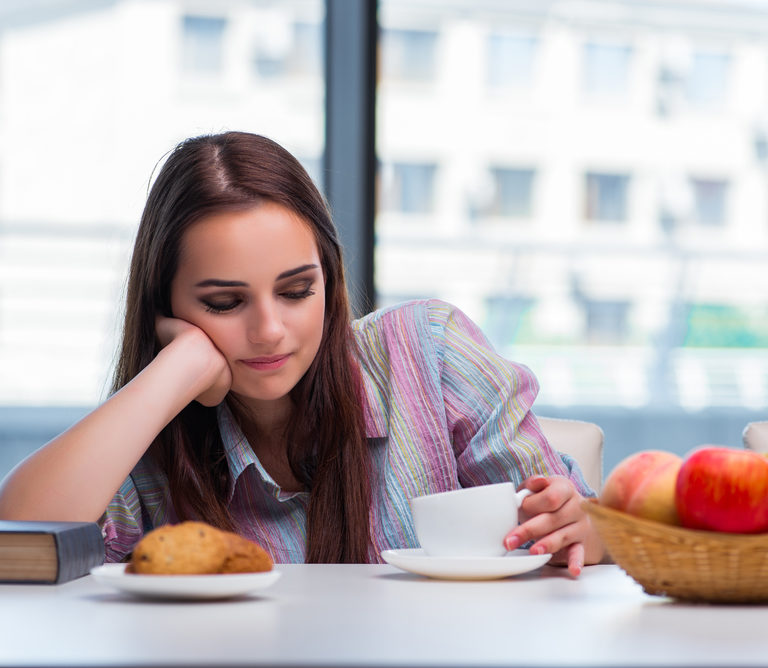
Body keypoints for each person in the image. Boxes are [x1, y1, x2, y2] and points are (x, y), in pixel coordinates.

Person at [0, 131, 605, 575]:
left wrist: (587, 528)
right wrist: (174, 372)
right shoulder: (150, 449)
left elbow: (584, 534)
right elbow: (19, 540)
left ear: (329, 280)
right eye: (224, 303)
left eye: (296, 291)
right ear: (166, 307)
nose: (270, 331)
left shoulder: (430, 350)